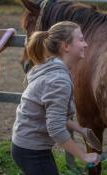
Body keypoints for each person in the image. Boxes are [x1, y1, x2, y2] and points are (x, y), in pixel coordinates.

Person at [11, 21, 101, 175]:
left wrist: (81, 130)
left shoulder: (52, 68)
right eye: (80, 40)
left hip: (27, 146)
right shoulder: (58, 80)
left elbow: (51, 115)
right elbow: (55, 128)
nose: (85, 44)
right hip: (32, 150)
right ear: (65, 46)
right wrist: (83, 155)